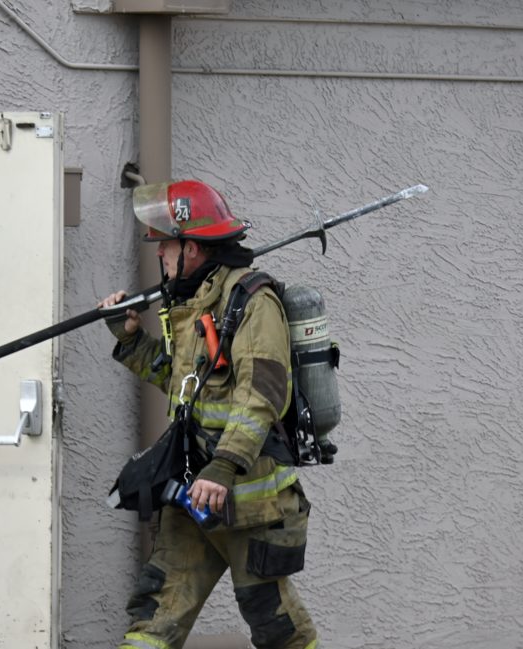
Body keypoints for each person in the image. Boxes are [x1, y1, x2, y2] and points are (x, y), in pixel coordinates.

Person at [100, 180, 319, 649]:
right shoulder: (196, 302)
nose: (160, 254)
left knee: (278, 628)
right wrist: (131, 340)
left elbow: (262, 394)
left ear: (192, 248)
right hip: (195, 493)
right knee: (155, 616)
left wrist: (223, 467)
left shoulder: (252, 302)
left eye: (165, 244)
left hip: (249, 501)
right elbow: (185, 386)